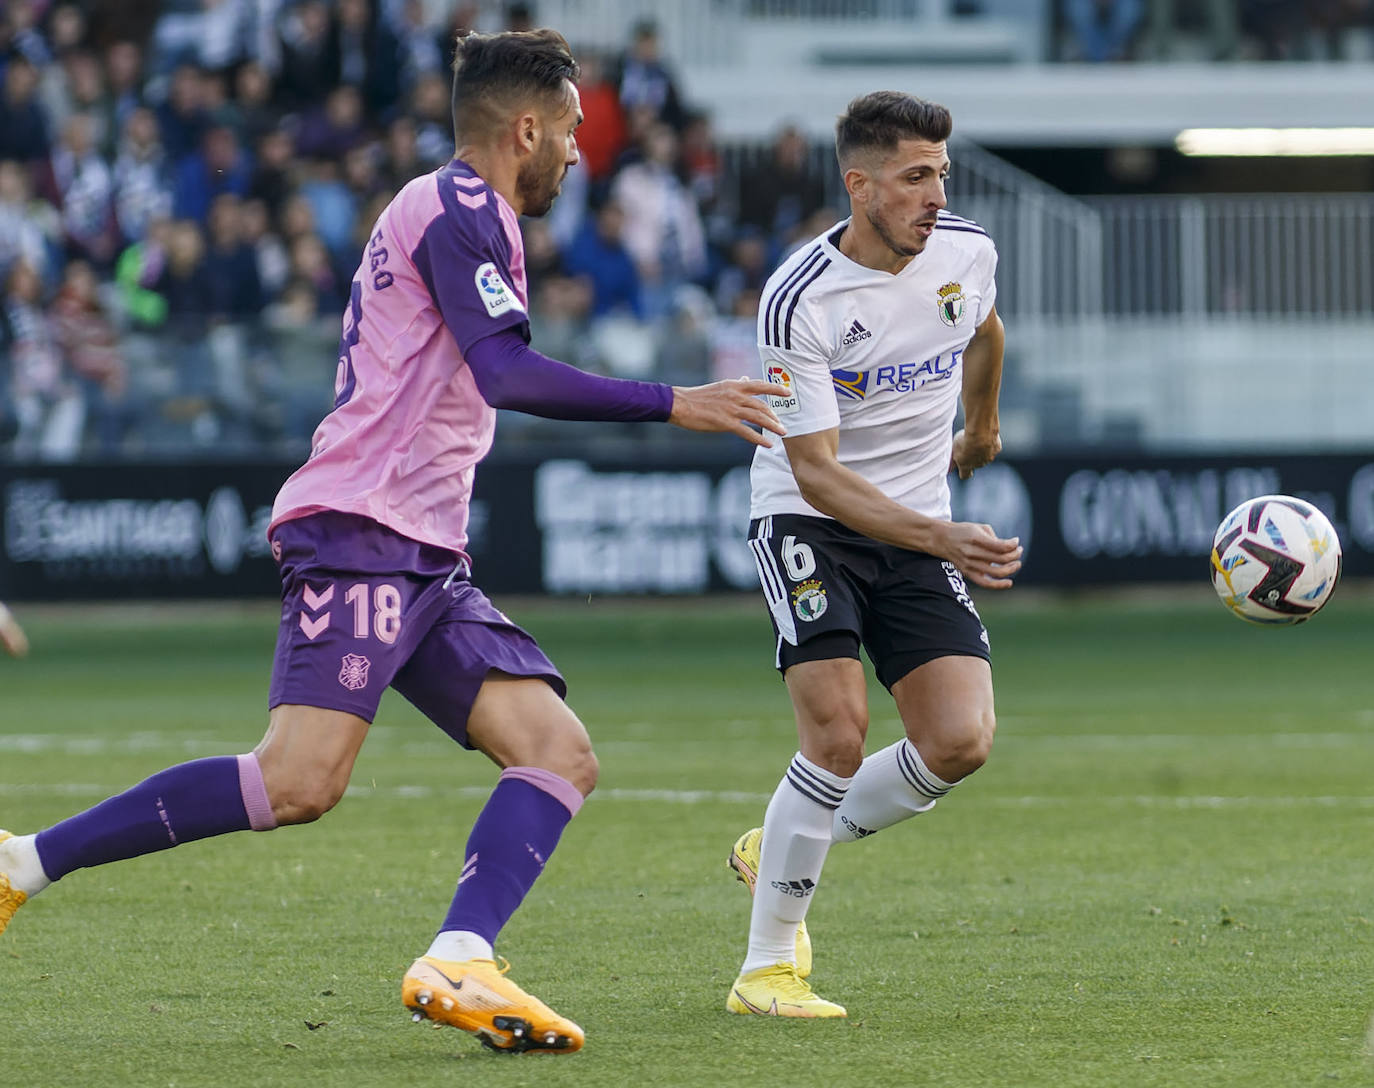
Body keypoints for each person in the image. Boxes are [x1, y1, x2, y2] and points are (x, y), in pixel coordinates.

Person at [0, 28, 784, 1056]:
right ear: (527, 128)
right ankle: (21, 865)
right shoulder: (461, 208)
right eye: (573, 132)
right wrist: (671, 400)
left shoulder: (459, 210)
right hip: (365, 527)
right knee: (298, 780)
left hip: (421, 547)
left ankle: (460, 953)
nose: (580, 154)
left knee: (557, 749)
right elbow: (507, 371)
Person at [724, 90, 1023, 1019]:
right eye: (913, 177)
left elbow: (983, 329)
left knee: (961, 741)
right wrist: (941, 536)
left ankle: (769, 848)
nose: (935, 194)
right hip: (810, 523)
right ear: (859, 186)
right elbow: (815, 473)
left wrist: (980, 428)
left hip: (917, 516)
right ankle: (767, 969)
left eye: (941, 172)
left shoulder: (967, 251)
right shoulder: (799, 299)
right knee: (839, 735)